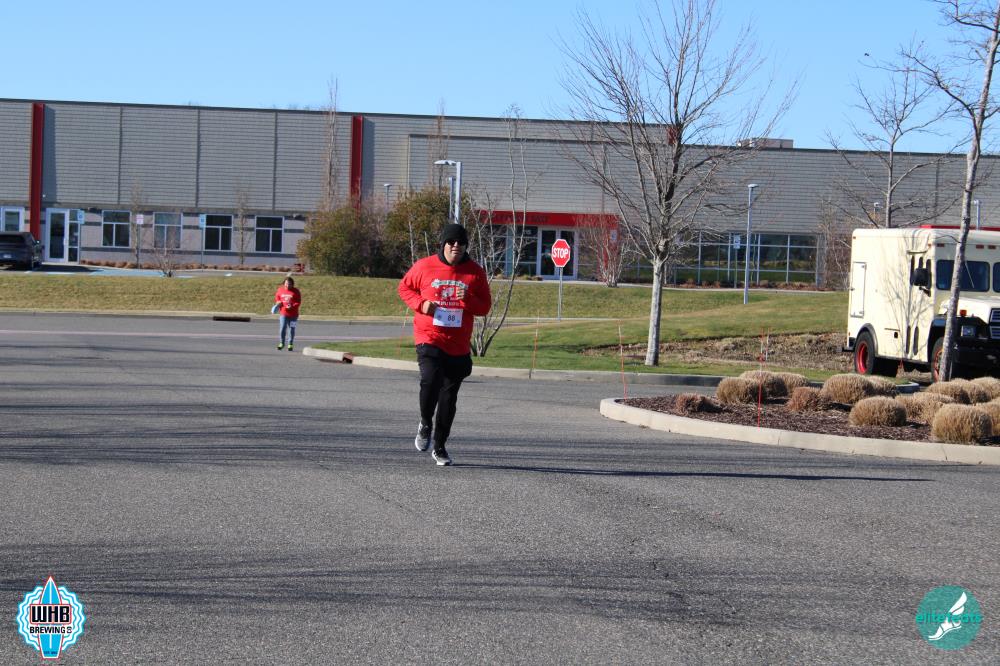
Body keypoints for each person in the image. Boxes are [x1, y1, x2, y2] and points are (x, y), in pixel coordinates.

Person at [398, 223, 492, 466]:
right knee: (430, 380)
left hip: (458, 343)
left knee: (449, 398)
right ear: (443, 244)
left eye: (460, 243)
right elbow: (404, 288)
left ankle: (440, 446)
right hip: (429, 335)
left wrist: (468, 298)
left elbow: (484, 307)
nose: (455, 246)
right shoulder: (424, 266)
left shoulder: (475, 272)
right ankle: (425, 422)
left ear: (466, 246)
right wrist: (421, 304)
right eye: (451, 242)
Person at [274, 276, 302, 351]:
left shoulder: (296, 291)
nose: (287, 285)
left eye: (289, 284)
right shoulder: (280, 290)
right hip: (283, 313)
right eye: (286, 283)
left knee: (292, 329)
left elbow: (298, 302)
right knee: (282, 328)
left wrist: (292, 306)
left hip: (294, 315)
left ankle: (290, 344)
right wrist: (278, 302)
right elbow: (277, 298)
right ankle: (281, 343)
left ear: (292, 284)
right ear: (284, 283)